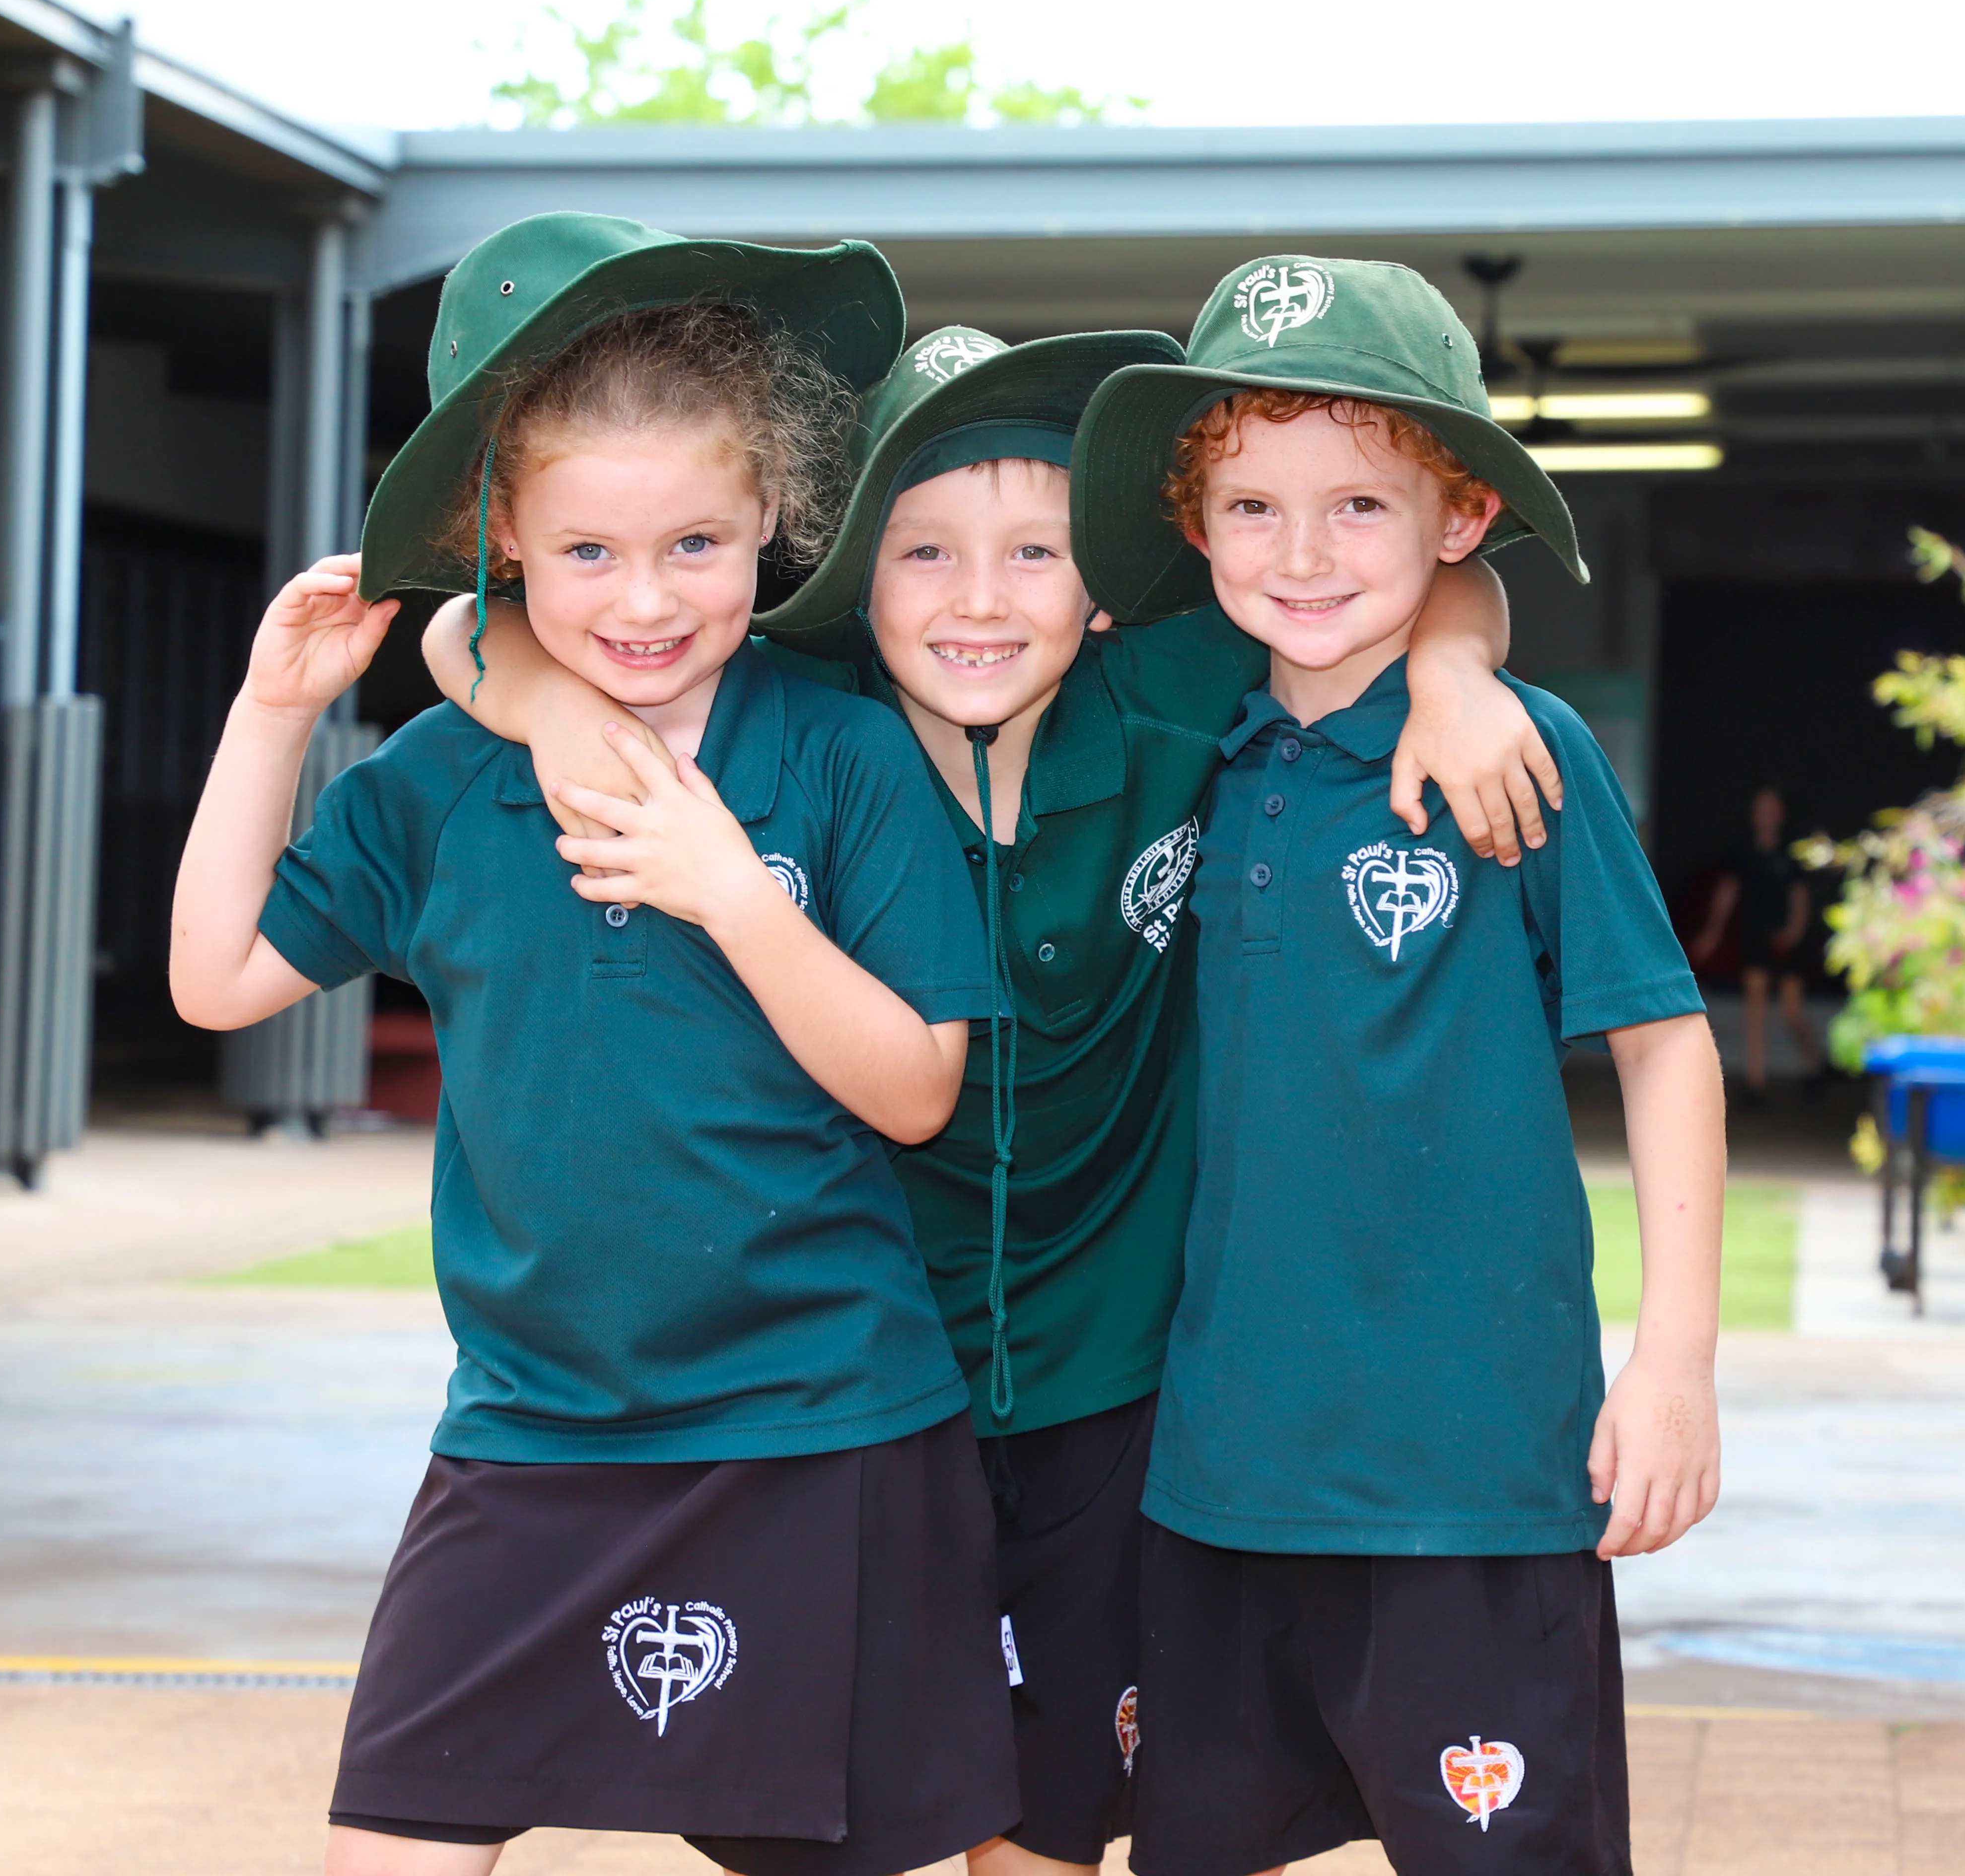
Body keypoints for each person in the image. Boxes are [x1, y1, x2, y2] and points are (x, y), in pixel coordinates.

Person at [420, 317, 1562, 1876]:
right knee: (823, 1818)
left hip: (1115, 1379)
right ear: (852, 580)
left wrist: (1457, 664)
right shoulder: (801, 717)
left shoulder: (1174, 689)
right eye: (924, 551)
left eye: (1035, 550)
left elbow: (1427, 578)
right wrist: (552, 706)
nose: (978, 599)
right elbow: (473, 627)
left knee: (1052, 1812)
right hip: (868, 1388)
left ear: (1104, 585)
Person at [169, 212, 1017, 1876]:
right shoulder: (437, 785)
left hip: (814, 1419)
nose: (645, 600)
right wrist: (274, 711)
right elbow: (215, 979)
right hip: (534, 1431)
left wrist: (733, 894)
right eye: (587, 554)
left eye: (697, 543)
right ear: (502, 537)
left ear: (770, 518)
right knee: (389, 1848)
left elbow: (920, 1090)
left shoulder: (842, 757)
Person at [1068, 254, 1727, 1876]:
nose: (1301, 555)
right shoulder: (1187, 749)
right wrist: (1450, 648)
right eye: (1252, 508)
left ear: (1460, 521)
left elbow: (1665, 1049)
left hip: (1477, 1474)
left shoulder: (1518, 754)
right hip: (1219, 1473)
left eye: (1359, 506)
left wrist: (1675, 1364)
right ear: (1195, 524)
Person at [1693, 785, 1824, 1108]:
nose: (1765, 815)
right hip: (1755, 937)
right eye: (1760, 808)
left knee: (1792, 1010)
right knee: (1755, 1008)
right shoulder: (1742, 852)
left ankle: (1816, 1067)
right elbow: (1727, 893)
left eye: (1771, 809)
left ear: (1781, 813)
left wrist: (1794, 932)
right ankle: (1756, 1084)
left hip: (1787, 941)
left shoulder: (1792, 851)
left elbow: (1799, 897)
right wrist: (1712, 933)